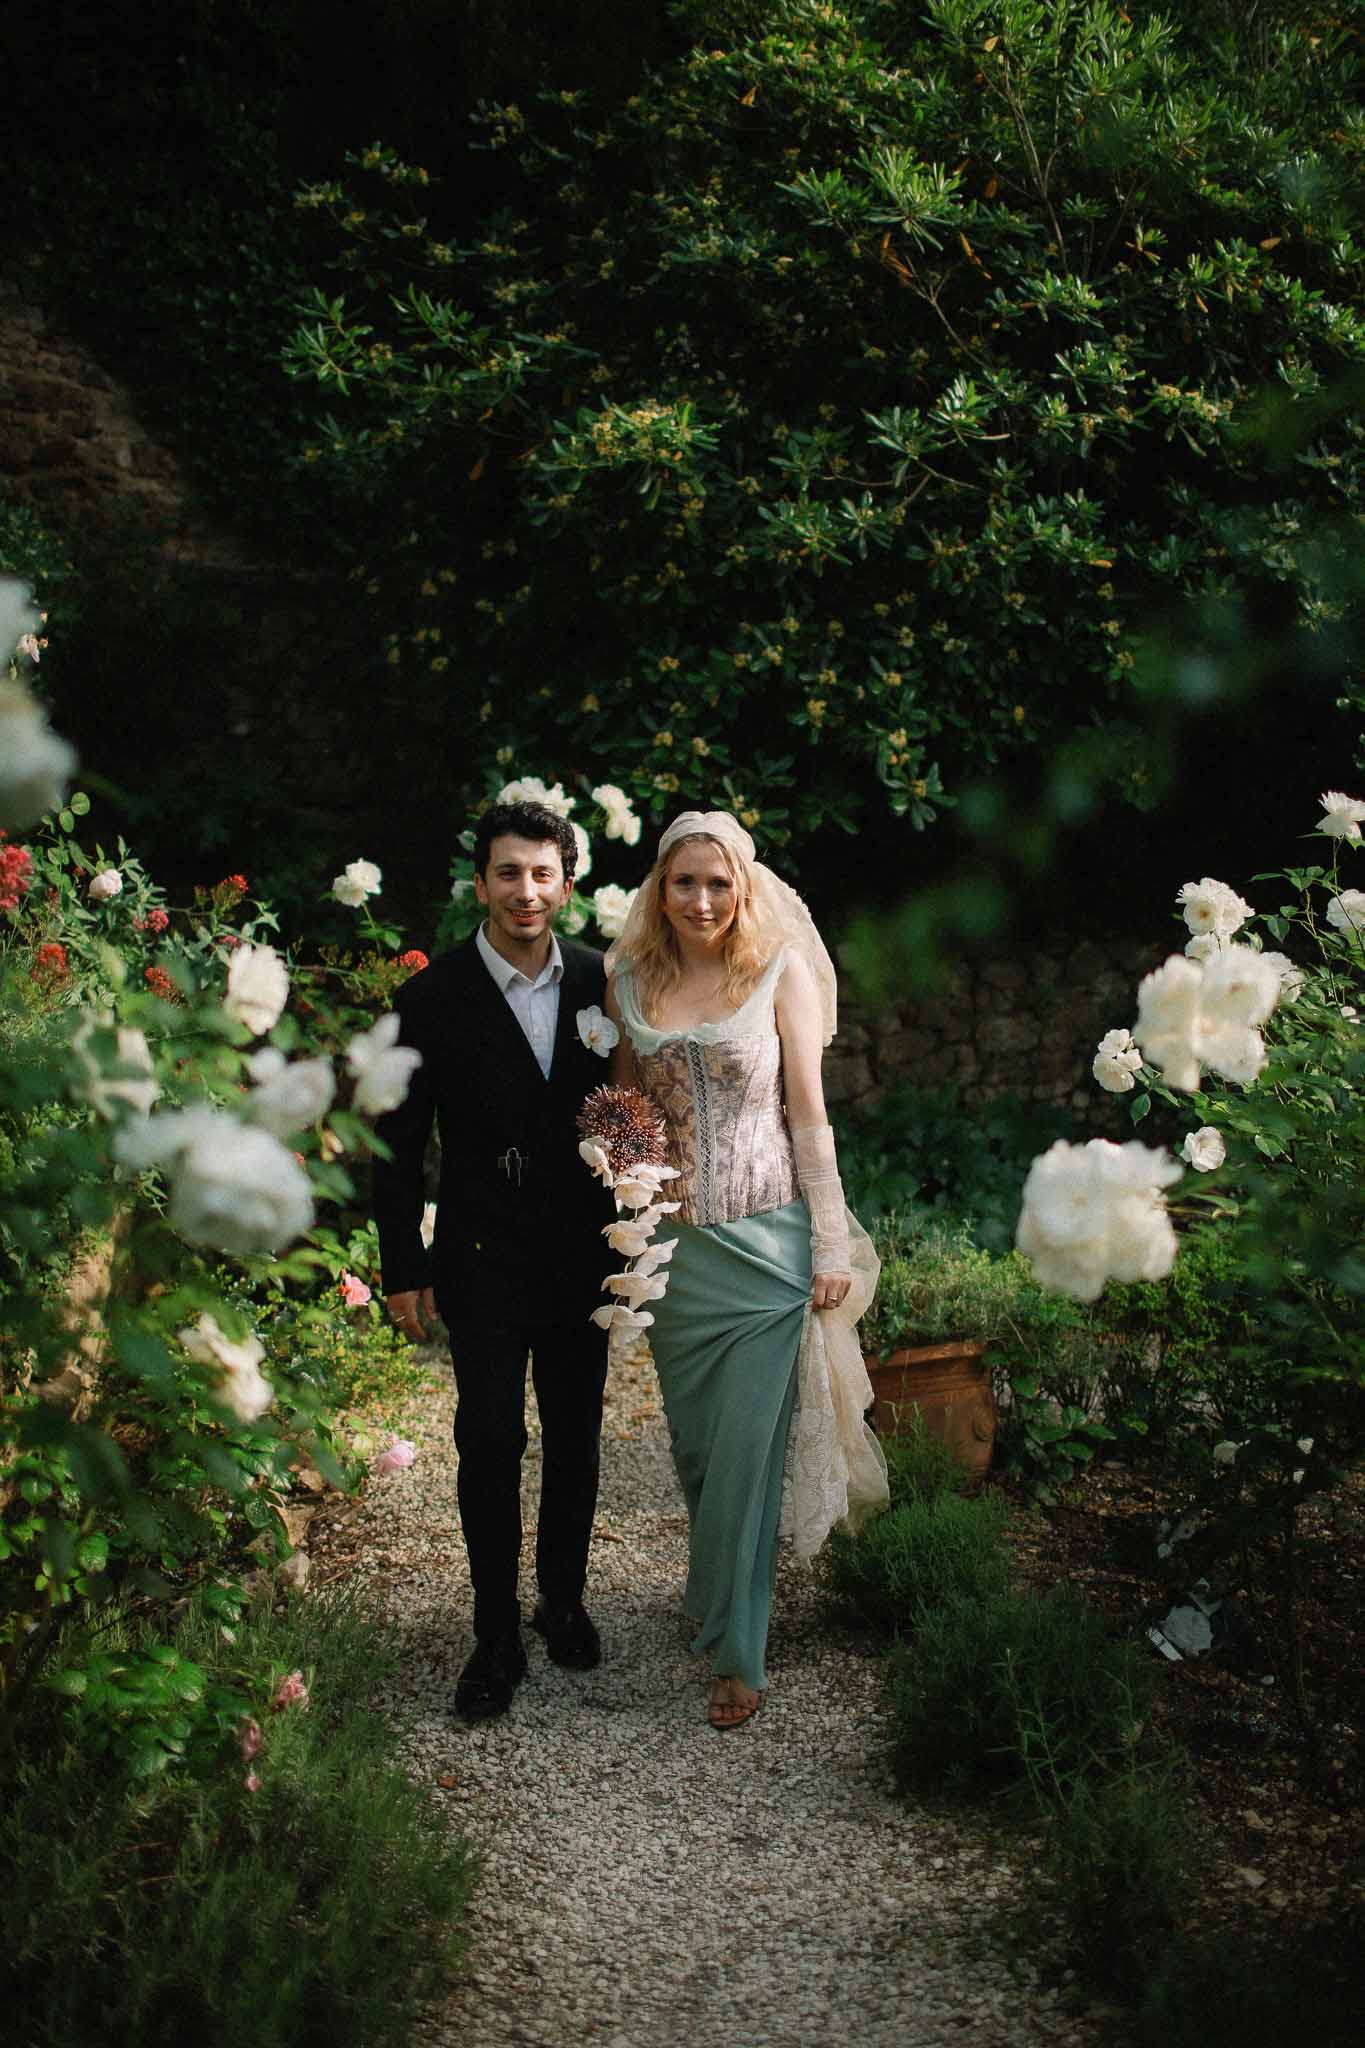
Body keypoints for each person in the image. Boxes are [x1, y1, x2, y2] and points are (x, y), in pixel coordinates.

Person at [603, 809, 887, 1730]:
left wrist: (830, 1241)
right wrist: (618, 1180)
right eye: (684, 882)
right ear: (659, 888)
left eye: (718, 882)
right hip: (678, 1256)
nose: (701, 899)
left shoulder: (777, 972)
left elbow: (808, 1112)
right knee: (695, 1449)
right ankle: (718, 1588)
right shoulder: (628, 981)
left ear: (745, 888)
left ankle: (738, 1653)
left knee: (749, 1459)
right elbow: (625, 1111)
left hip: (768, 1246)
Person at [372, 800, 617, 1721]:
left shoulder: (602, 983)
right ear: (480, 884)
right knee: (488, 1440)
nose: (526, 890)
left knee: (576, 1436)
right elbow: (394, 1144)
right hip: (477, 1255)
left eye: (543, 873)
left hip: (582, 1253)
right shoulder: (429, 997)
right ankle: (494, 1632)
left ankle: (564, 1599)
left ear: (565, 882)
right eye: (508, 873)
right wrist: (403, 1268)